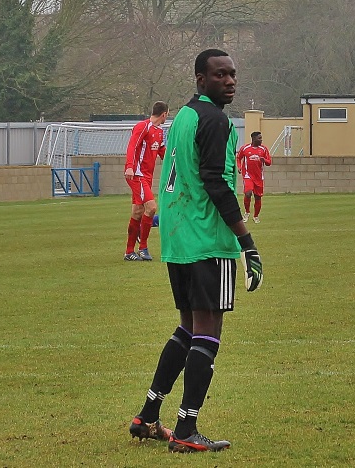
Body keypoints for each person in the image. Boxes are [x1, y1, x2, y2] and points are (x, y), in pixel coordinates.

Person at [128, 48, 263, 453]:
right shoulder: (216, 121)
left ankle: (147, 416)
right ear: (201, 80)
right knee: (208, 331)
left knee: (187, 328)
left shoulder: (184, 116)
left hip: (179, 237)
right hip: (206, 237)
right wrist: (247, 243)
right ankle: (186, 429)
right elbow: (216, 183)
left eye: (233, 74)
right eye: (220, 75)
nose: (230, 81)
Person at [123, 102, 169, 261]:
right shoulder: (143, 126)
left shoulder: (159, 131)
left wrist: (175, 163)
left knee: (137, 212)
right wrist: (130, 166)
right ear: (164, 114)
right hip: (137, 174)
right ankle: (143, 247)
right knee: (151, 207)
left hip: (147, 176)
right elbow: (132, 146)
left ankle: (129, 252)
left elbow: (162, 151)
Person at [236, 131, 272, 223]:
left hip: (259, 177)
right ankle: (247, 212)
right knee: (248, 193)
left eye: (261, 138)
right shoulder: (245, 148)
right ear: (253, 138)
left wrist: (264, 160)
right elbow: (238, 158)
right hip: (248, 175)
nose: (261, 140)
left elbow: (269, 162)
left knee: (258, 197)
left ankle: (256, 216)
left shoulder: (263, 149)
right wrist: (239, 167)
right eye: (259, 138)